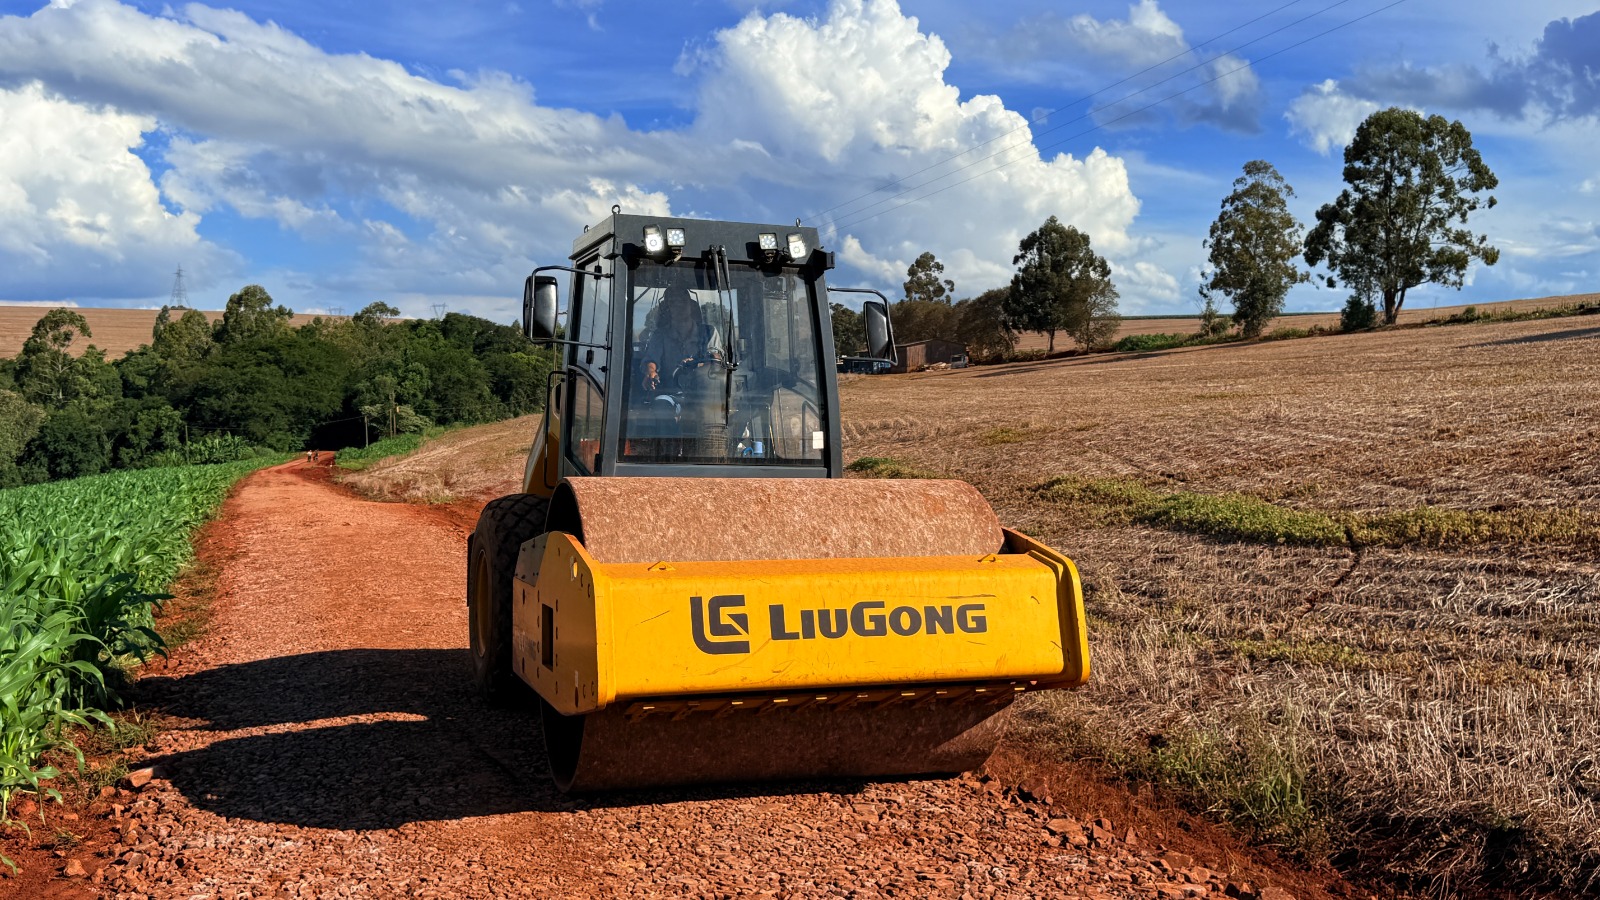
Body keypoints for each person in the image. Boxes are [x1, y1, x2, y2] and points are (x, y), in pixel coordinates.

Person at [638, 287, 721, 394]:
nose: (679, 305)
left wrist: (698, 364)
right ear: (667, 309)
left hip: (703, 394)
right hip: (669, 393)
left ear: (691, 305)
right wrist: (651, 371)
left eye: (683, 301)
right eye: (673, 302)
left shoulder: (709, 333)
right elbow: (651, 360)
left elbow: (716, 359)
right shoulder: (660, 336)